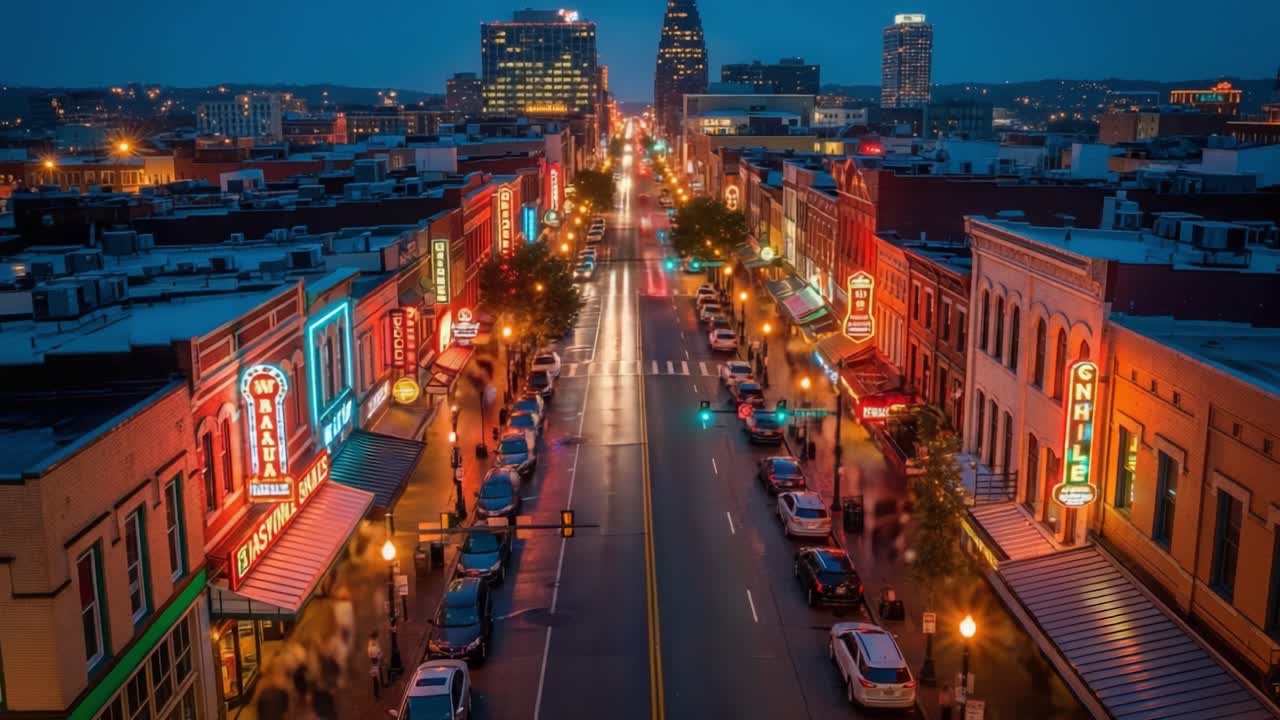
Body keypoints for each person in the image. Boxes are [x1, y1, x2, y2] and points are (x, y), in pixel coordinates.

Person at [367, 631, 383, 699]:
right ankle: (376, 695)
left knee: (378, 674)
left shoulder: (371, 643)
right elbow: (376, 653)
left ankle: (381, 685)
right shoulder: (373, 646)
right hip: (375, 661)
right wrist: (379, 655)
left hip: (374, 660)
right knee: (375, 679)